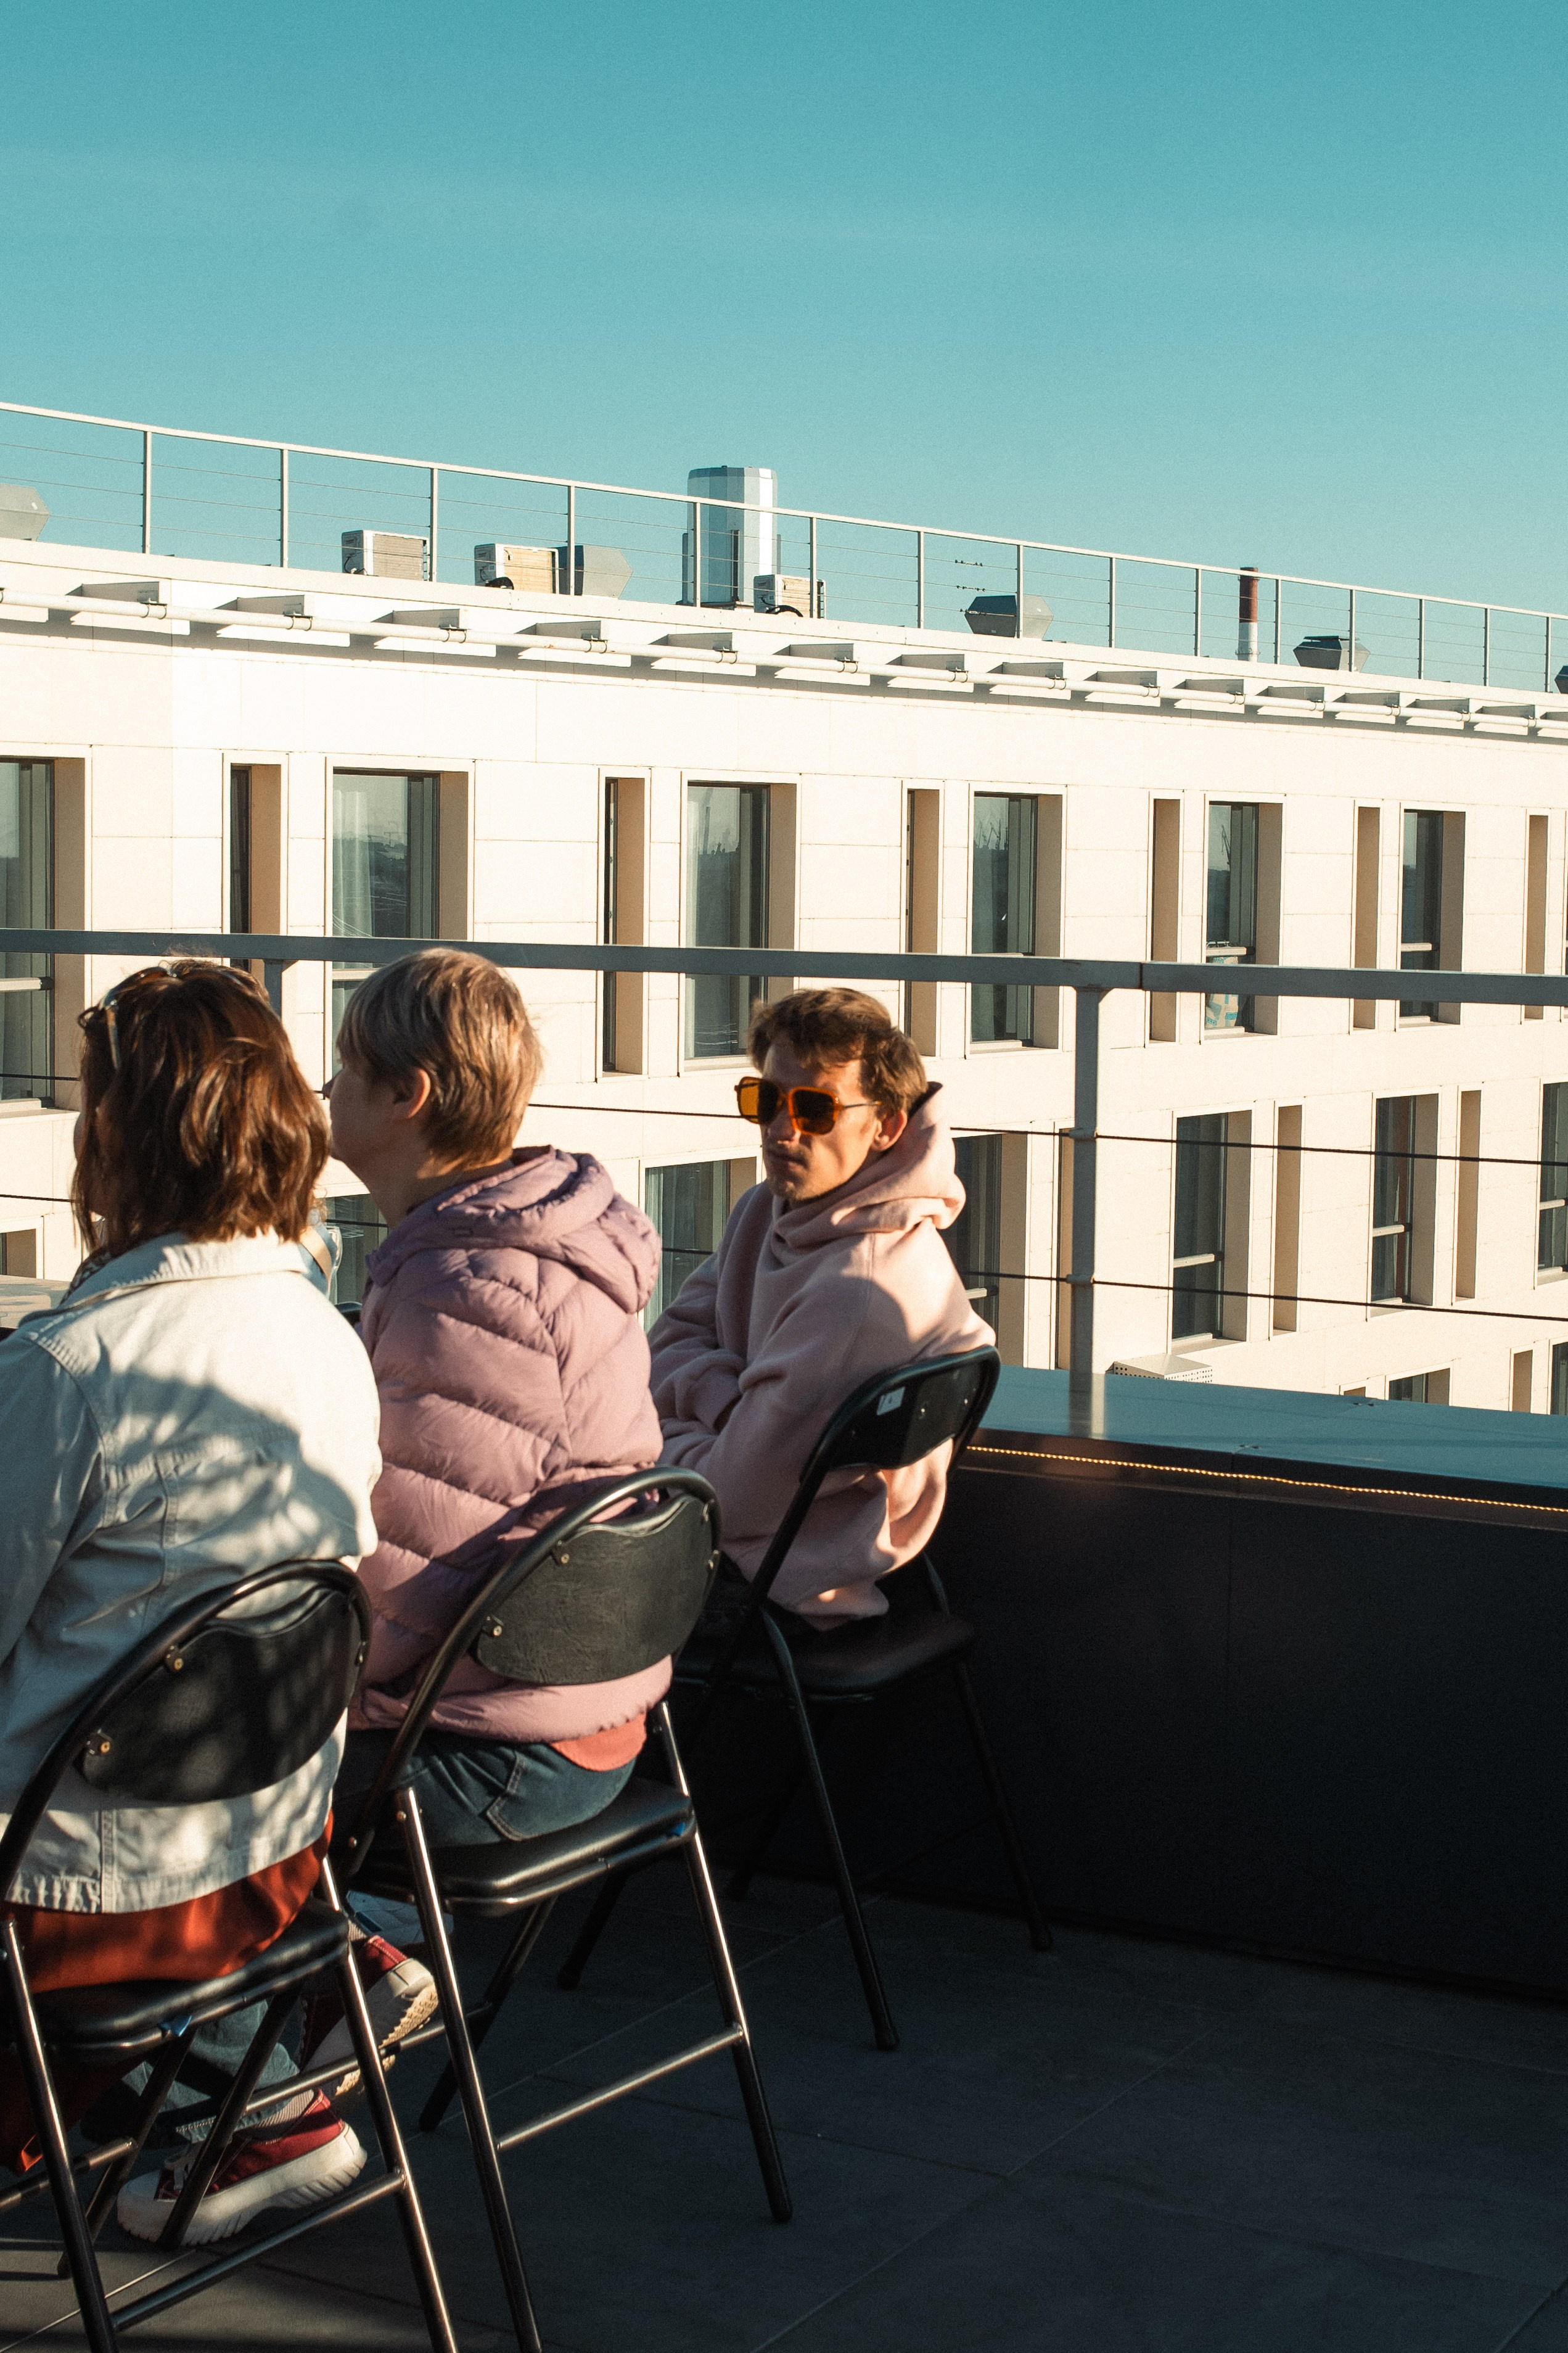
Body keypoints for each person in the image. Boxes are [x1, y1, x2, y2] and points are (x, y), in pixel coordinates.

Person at [0, 962, 413, 2246]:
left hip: (82, 1906)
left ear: (115, 1139)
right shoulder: (323, 1331)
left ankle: (258, 2092)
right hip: (266, 1847)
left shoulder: (69, 1367)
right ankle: (268, 2061)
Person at [323, 947, 665, 1894]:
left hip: (497, 1757)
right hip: (580, 1717)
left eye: (347, 1066)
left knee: (148, 1791)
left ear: (408, 1094)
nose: (326, 1086)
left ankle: (317, 2002)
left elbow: (404, 1589)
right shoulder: (531, 1245)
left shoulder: (465, 1288)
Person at [650, 987, 991, 1623]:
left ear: (886, 1125)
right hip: (743, 1546)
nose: (782, 1128)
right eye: (766, 1100)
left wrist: (649, 1438)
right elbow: (666, 1342)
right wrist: (728, 1403)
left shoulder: (858, 1291)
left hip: (775, 1586)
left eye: (814, 1108)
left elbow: (728, 1493)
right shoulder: (764, 1211)